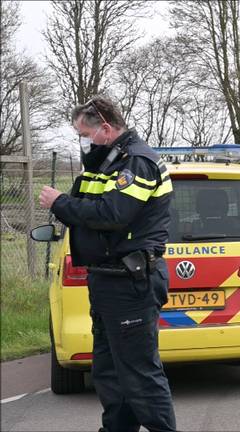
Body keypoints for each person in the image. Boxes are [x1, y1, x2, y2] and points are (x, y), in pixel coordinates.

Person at [38, 96, 176, 431]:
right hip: (107, 280)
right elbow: (90, 207)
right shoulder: (106, 163)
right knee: (110, 373)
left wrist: (60, 203)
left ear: (106, 127)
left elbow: (113, 214)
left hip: (130, 282)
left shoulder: (137, 163)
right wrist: (69, 204)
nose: (83, 141)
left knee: (141, 376)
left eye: (85, 133)